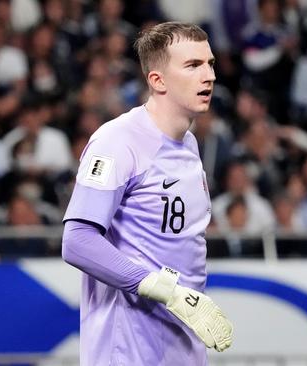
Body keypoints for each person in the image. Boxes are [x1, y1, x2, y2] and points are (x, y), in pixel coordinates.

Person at [60, 22, 233, 366]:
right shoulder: (118, 141)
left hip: (180, 342)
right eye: (193, 65)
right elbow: (77, 240)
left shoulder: (188, 145)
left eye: (210, 63)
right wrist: (164, 289)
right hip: (129, 347)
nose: (209, 75)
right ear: (157, 81)